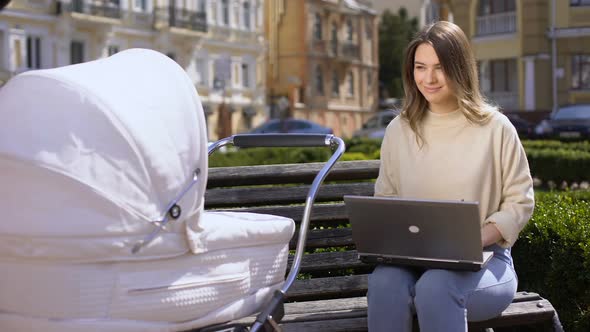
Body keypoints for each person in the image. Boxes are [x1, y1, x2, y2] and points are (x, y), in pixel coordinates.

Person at [369, 21, 534, 331]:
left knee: (436, 288)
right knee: (384, 282)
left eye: (439, 67)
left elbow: (520, 203)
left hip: (487, 262)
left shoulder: (496, 128)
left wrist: (473, 240)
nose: (428, 78)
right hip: (413, 261)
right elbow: (386, 200)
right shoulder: (399, 130)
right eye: (420, 67)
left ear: (459, 68)